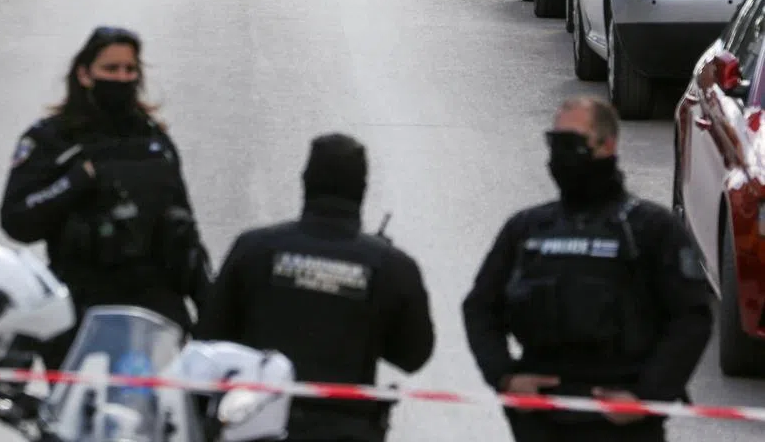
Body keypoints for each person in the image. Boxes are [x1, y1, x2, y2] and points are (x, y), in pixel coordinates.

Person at [462, 96, 713, 442]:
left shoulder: (652, 229)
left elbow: (692, 319)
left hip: (623, 423)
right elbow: (479, 307)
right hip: (541, 422)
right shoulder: (527, 229)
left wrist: (649, 397)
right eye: (554, 143)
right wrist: (504, 377)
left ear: (607, 145)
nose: (560, 156)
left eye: (572, 144)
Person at [198, 134, 435, 442]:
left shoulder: (254, 248)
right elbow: (414, 356)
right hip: (346, 429)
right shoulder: (391, 266)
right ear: (362, 189)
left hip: (255, 423)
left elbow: (211, 336)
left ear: (306, 182)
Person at [0, 26, 213, 367]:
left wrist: (210, 309)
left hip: (155, 315)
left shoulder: (154, 141)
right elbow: (16, 219)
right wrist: (74, 182)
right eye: (111, 69)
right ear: (85, 74)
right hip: (82, 312)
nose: (122, 78)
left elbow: (185, 230)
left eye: (130, 70)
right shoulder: (52, 140)